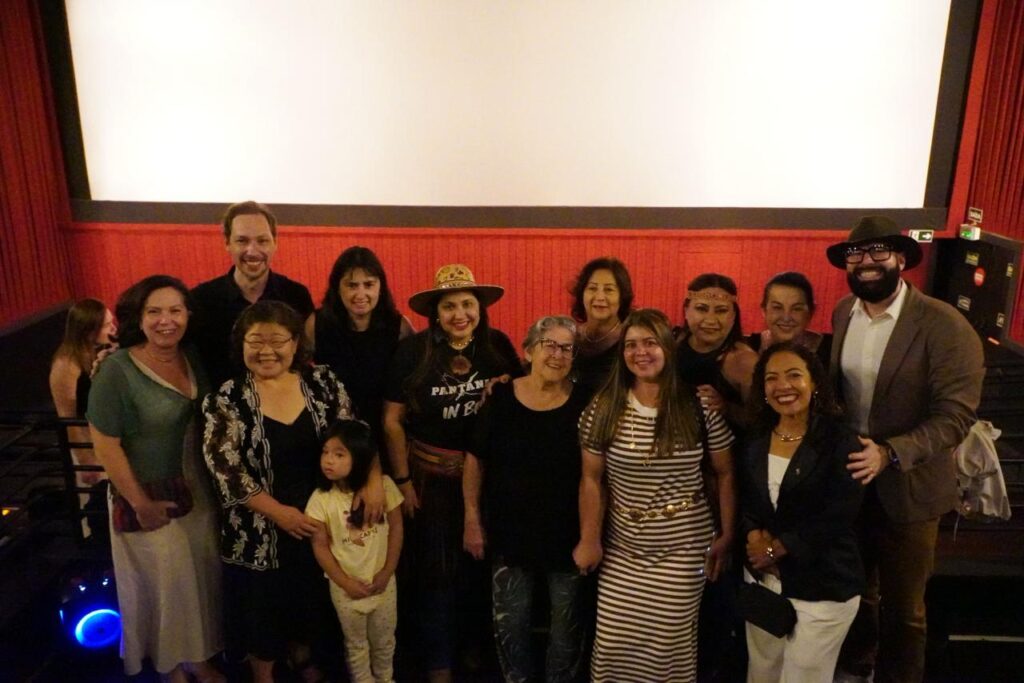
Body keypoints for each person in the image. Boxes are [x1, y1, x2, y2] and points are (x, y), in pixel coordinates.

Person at [827, 216, 984, 683]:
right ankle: (857, 669)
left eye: (879, 252)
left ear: (900, 258)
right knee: (855, 593)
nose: (866, 262)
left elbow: (955, 416)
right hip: (851, 482)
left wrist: (890, 452)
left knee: (905, 613)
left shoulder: (944, 324)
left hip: (911, 489)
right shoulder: (843, 312)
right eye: (856, 253)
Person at [202, 300, 383, 683]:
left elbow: (357, 435)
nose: (266, 350)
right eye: (256, 341)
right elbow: (225, 469)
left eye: (278, 340)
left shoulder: (322, 382)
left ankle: (302, 655)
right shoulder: (228, 398)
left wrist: (371, 482)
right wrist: (279, 513)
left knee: (311, 598)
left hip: (322, 517)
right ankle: (263, 673)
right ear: (241, 344)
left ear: (296, 343)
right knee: (262, 607)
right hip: (258, 525)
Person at [574, 308, 736, 683]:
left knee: (667, 645)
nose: (640, 352)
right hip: (623, 547)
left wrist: (727, 535)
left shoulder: (698, 406)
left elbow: (725, 473)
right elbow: (591, 479)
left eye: (650, 343)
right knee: (612, 642)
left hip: (684, 547)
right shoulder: (603, 407)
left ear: (667, 347)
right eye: (631, 345)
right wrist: (589, 538)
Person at [383, 264, 522, 683]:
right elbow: (391, 421)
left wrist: (507, 384)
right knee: (436, 575)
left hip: (488, 480)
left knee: (482, 570)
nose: (459, 313)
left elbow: (523, 400)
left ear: (480, 308)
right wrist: (403, 482)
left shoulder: (497, 346)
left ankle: (476, 651)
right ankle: (438, 664)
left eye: (467, 304)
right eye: (449, 306)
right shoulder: (412, 351)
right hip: (431, 479)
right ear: (435, 312)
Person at [87, 275, 223, 683]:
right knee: (164, 587)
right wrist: (139, 503)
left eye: (175, 310)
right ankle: (171, 668)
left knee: (197, 581)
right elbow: (105, 445)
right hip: (147, 494)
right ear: (139, 317)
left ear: (188, 315)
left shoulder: (191, 356)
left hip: (197, 491)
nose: (167, 320)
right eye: (155, 311)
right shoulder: (116, 369)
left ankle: (197, 659)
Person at [463, 315, 589, 683]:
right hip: (509, 533)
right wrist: (472, 519)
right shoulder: (501, 396)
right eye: (549, 345)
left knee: (566, 629)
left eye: (566, 348)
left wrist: (591, 535)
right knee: (510, 626)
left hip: (568, 534)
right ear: (529, 350)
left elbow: (595, 475)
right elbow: (475, 460)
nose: (557, 354)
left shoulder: (585, 402)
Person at [739, 342, 864, 682]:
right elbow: (748, 501)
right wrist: (754, 537)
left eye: (794, 375)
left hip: (823, 583)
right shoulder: (755, 438)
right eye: (772, 378)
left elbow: (839, 514)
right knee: (761, 673)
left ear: (814, 383)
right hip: (764, 581)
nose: (783, 386)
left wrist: (778, 549)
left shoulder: (840, 441)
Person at [307, 419, 404, 683]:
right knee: (356, 644)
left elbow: (396, 528)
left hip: (383, 584)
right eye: (326, 452)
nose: (329, 460)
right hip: (345, 589)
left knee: (385, 640)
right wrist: (345, 582)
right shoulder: (321, 499)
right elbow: (320, 546)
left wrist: (387, 571)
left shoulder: (384, 487)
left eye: (339, 454)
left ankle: (385, 678)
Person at [192, 201, 314, 388]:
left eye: (262, 241)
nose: (252, 251)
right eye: (242, 241)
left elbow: (306, 358)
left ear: (275, 243)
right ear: (227, 243)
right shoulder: (201, 300)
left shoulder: (296, 296)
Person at [306, 246, 414, 454]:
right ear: (337, 287)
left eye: (369, 284)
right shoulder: (317, 323)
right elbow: (296, 371)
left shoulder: (399, 326)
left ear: (380, 287)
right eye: (352, 285)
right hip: (332, 431)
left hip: (384, 430)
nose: (361, 294)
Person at [49, 298, 117, 538]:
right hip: (85, 443)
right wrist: (85, 459)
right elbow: (67, 416)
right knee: (94, 502)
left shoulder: (99, 351)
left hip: (102, 438)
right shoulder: (66, 363)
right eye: (107, 325)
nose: (113, 328)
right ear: (89, 330)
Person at [675, 273, 759, 427]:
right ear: (686, 310)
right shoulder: (674, 343)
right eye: (701, 309)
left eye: (721, 310)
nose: (710, 320)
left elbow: (760, 421)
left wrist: (726, 409)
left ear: (733, 315)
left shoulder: (745, 360)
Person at [569, 257, 634, 398]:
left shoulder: (631, 341)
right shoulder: (569, 336)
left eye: (609, 290)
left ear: (622, 296)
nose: (599, 297)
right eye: (592, 288)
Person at [747, 271, 832, 367]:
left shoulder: (830, 351)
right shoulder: (749, 349)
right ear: (764, 310)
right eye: (777, 307)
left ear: (811, 312)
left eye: (796, 309)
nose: (786, 317)